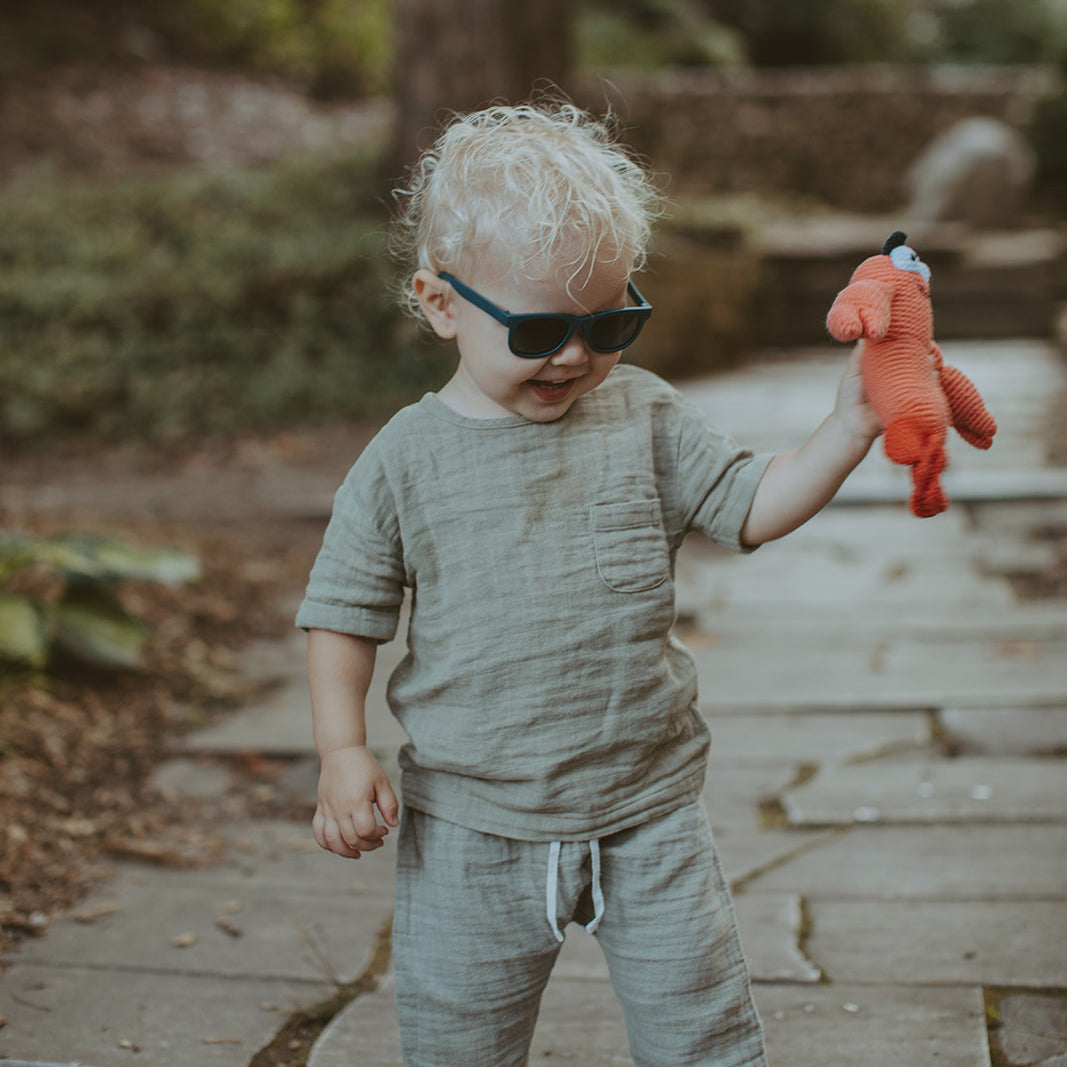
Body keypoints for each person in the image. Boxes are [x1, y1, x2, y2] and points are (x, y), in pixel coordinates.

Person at [297, 99, 882, 1066]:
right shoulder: (404, 461)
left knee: (705, 1038)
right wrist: (339, 747)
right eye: (536, 328)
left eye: (609, 320)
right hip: (470, 825)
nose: (574, 354)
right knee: (457, 1043)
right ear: (443, 303)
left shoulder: (641, 415)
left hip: (647, 806)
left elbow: (747, 504)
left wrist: (847, 429)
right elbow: (343, 614)